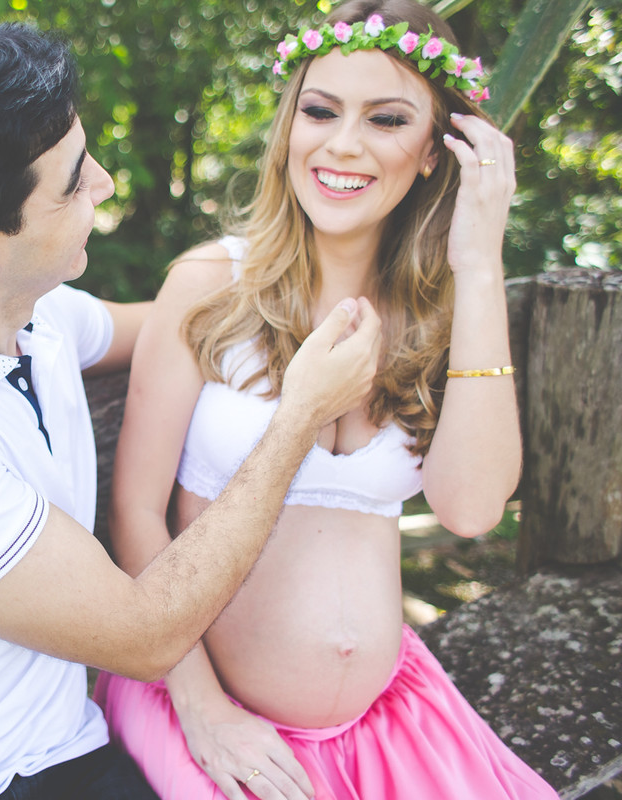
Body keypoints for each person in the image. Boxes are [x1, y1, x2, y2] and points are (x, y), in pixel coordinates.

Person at [0, 16, 385, 800]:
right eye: (73, 182)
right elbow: (146, 633)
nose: (102, 183)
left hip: (63, 750)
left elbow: (180, 321)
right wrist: (299, 416)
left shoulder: (32, 313)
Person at [93, 1, 559, 799]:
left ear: (433, 151)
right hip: (204, 711)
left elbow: (473, 510)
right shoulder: (209, 286)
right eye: (320, 111)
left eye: (386, 119)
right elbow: (135, 513)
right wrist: (202, 708)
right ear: (290, 128)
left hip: (390, 724)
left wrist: (480, 263)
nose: (343, 144)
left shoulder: (442, 314)